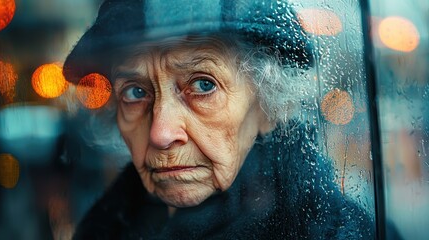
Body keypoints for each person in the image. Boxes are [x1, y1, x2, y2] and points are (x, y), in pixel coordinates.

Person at [63, 0, 374, 239]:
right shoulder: (102, 228)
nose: (161, 133)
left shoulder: (339, 231)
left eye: (203, 85)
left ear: (269, 105)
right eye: (134, 92)